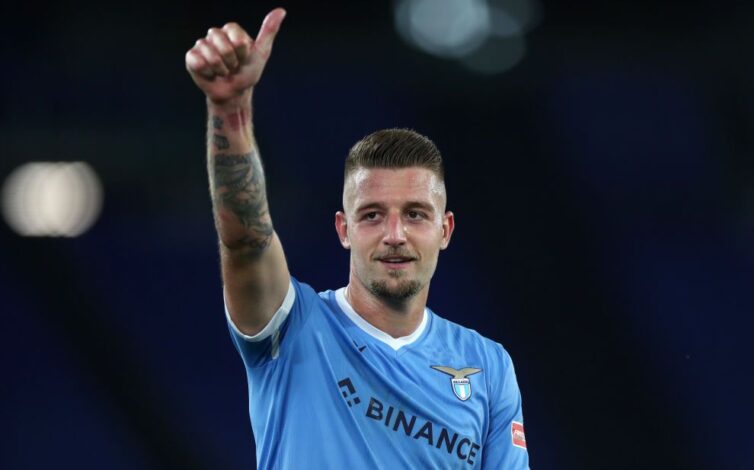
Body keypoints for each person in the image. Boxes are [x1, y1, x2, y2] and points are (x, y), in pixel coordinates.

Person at [185, 8, 530, 469]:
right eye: (371, 215)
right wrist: (229, 111)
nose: (394, 235)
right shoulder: (291, 329)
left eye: (415, 214)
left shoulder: (487, 365)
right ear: (343, 230)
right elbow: (245, 240)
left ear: (444, 230)